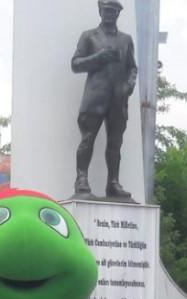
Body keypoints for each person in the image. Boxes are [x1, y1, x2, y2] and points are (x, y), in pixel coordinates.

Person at [70, 0, 137, 200]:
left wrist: (129, 85)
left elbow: (132, 68)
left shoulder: (126, 39)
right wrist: (98, 58)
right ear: (100, 11)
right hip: (95, 97)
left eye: (113, 11)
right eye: (106, 10)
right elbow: (75, 64)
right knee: (87, 138)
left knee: (115, 143)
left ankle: (113, 183)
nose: (109, 13)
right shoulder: (89, 36)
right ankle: (81, 179)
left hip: (118, 99)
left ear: (118, 13)